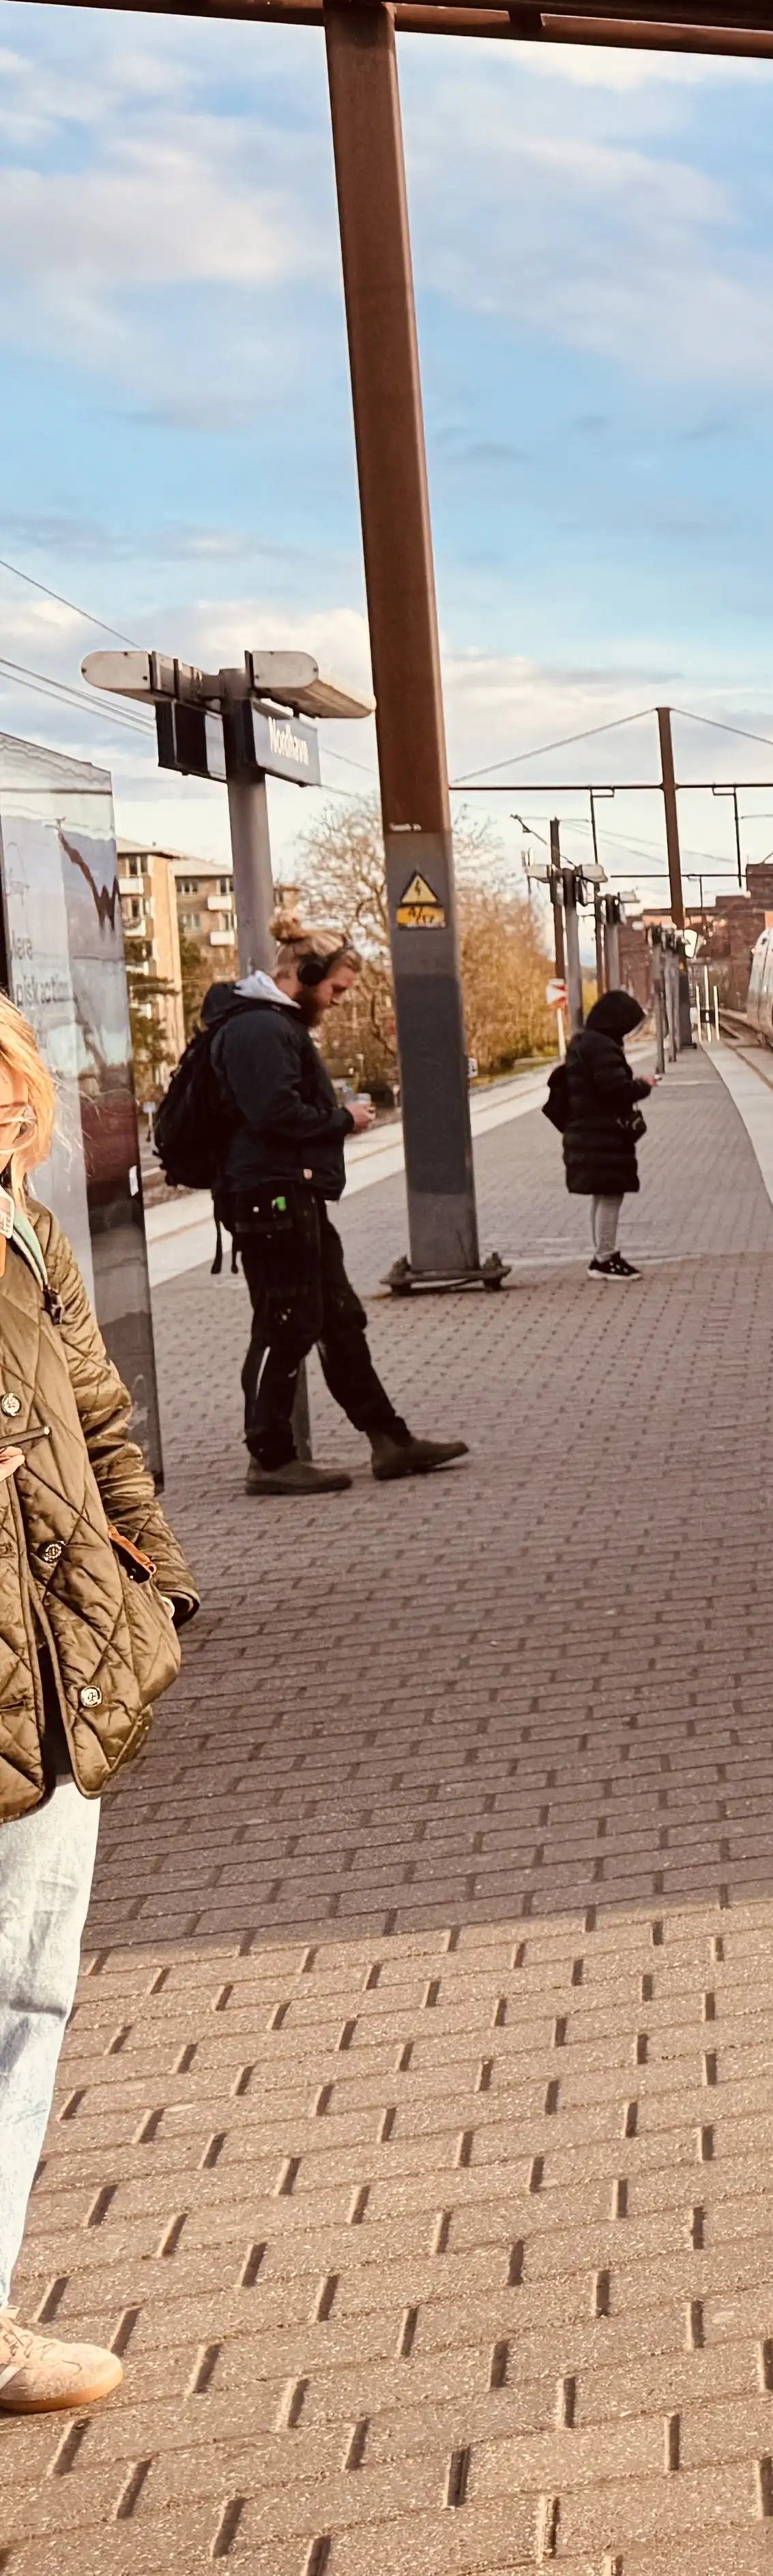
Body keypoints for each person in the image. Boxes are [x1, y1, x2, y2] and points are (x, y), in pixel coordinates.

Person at [0, 990, 197, 2410]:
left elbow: (98, 1415)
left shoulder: (24, 1228)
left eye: (11, 1085)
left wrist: (155, 1589)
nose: (10, 1111)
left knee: (25, 1995)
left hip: (58, 1677)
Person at [201, 918, 467, 1497]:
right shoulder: (259, 1031)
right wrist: (345, 1120)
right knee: (285, 1325)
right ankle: (269, 1457)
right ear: (309, 974)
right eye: (337, 990)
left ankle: (389, 1440)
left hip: (292, 1195)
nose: (338, 1002)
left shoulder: (274, 1027)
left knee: (339, 1318)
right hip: (271, 1198)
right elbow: (274, 1114)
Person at [552, 987, 654, 1278]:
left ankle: (602, 1254)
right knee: (610, 1194)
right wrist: (643, 1085)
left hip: (590, 1132)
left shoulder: (585, 1043)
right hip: (602, 1135)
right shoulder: (602, 1048)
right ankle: (604, 1258)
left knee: (603, 1193)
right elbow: (615, 1091)